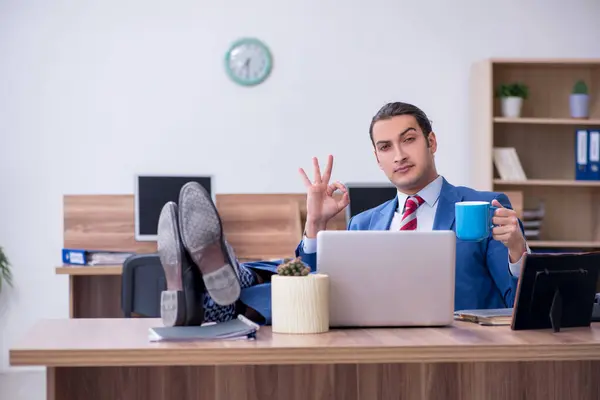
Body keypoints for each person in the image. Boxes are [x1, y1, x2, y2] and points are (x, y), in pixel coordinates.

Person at [156, 101, 529, 327]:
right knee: (308, 290)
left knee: (298, 292)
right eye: (386, 147)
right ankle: (219, 284)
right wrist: (315, 224)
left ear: (431, 142)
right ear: (377, 159)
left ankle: (219, 293)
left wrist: (516, 249)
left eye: (409, 139)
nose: (398, 154)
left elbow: (519, 301)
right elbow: (323, 293)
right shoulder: (364, 223)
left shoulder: (483, 206)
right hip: (373, 336)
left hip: (458, 340)